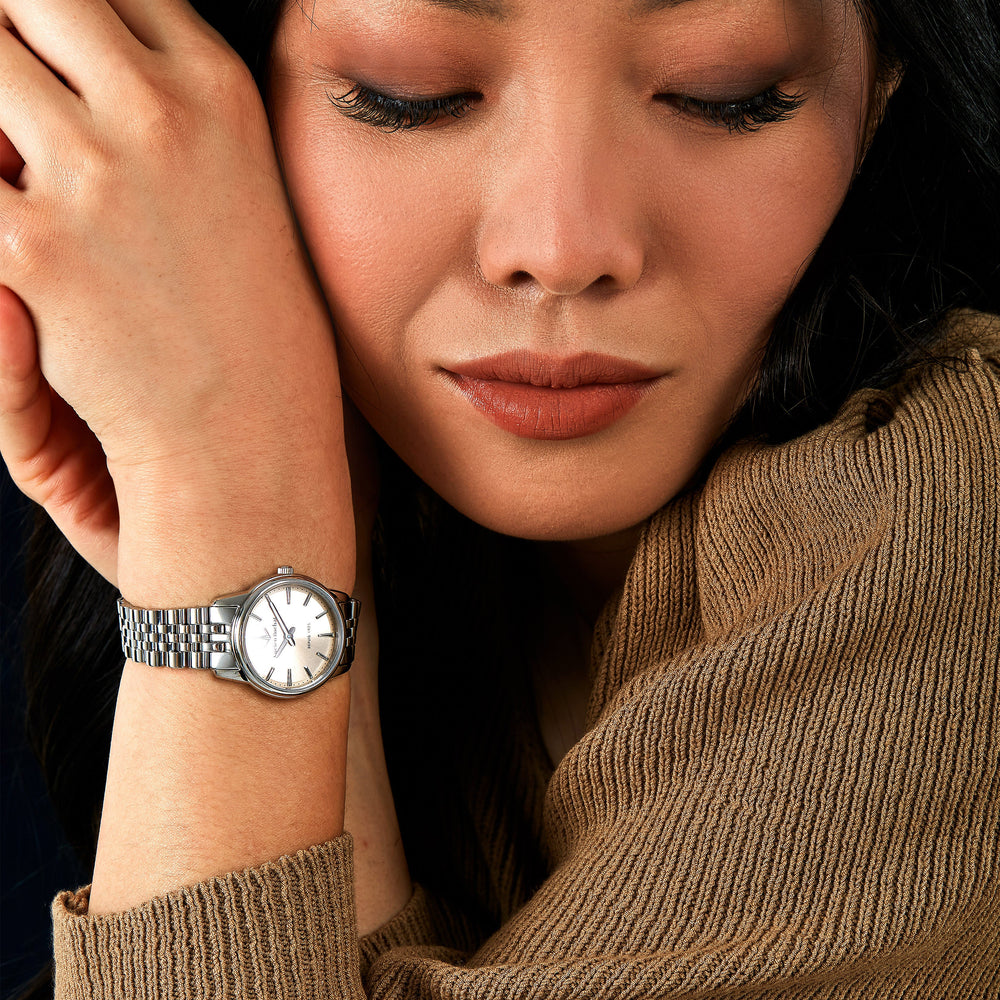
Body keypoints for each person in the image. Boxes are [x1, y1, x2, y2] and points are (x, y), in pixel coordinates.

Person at [1, 0, 997, 996]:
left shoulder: (952, 512)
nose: (560, 248)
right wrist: (292, 572)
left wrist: (225, 505)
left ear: (880, 92)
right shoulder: (411, 541)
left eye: (721, 93)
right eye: (410, 94)